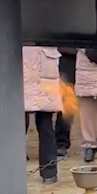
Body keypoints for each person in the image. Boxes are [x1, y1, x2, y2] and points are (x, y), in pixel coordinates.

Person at [23, 46, 62, 184]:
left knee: (46, 127)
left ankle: (49, 171)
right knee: (18, 127)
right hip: (23, 66)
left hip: (45, 71)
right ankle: (11, 169)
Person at [55, 48, 77, 157]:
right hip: (47, 54)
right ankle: (47, 143)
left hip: (69, 57)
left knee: (67, 102)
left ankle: (61, 142)